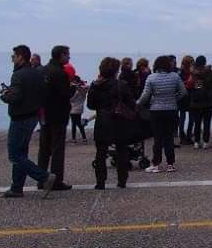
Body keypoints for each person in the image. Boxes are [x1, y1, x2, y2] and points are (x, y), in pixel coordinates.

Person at [0, 45, 56, 198]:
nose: (12, 59)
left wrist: (4, 94)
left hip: (20, 119)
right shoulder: (37, 73)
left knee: (15, 155)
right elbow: (43, 93)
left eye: (13, 56)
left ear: (20, 57)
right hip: (32, 117)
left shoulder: (18, 75)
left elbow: (15, 97)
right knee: (21, 153)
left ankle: (44, 177)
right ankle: (16, 188)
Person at [87, 57, 140, 189]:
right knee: (122, 150)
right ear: (116, 70)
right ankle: (122, 180)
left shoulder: (95, 85)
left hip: (102, 121)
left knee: (100, 152)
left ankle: (100, 182)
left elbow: (90, 105)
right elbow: (131, 104)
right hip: (119, 120)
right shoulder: (121, 85)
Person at [137, 56, 187, 173]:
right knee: (169, 137)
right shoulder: (175, 76)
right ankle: (170, 164)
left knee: (158, 138)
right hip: (171, 110)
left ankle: (156, 164)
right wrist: (174, 99)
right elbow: (183, 92)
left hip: (156, 110)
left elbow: (145, 96)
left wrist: (137, 104)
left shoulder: (151, 77)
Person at [39, 45, 74, 191]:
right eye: (67, 55)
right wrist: (74, 88)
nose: (69, 57)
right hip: (58, 115)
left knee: (44, 149)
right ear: (61, 55)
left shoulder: (43, 70)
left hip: (44, 114)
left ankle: (41, 179)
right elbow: (65, 94)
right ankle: (56, 180)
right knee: (57, 149)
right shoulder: (60, 73)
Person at [187, 56, 212, 149]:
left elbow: (189, 85)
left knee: (197, 122)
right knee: (207, 122)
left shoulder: (192, 73)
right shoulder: (209, 72)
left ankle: (196, 141)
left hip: (196, 100)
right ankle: (205, 142)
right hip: (207, 101)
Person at [69, 72, 88, 143]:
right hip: (79, 108)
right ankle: (80, 138)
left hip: (74, 108)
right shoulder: (83, 90)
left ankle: (79, 139)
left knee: (77, 124)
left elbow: (71, 99)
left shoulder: (77, 91)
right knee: (76, 123)